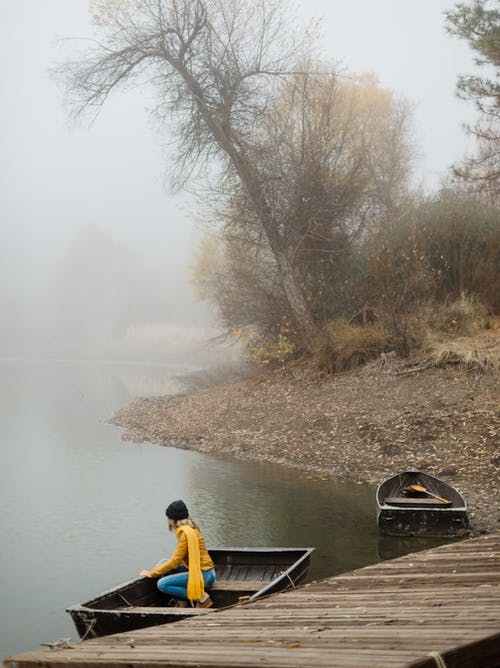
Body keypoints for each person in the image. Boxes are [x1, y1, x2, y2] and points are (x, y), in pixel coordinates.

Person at [140, 500, 216, 608]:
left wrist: (152, 573)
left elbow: (174, 562)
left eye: (168, 518)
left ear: (173, 520)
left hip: (204, 575)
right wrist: (160, 568)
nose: (168, 521)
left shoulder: (185, 534)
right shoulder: (191, 527)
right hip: (203, 571)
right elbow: (176, 560)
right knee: (163, 562)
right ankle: (182, 601)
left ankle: (201, 597)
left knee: (162, 584)